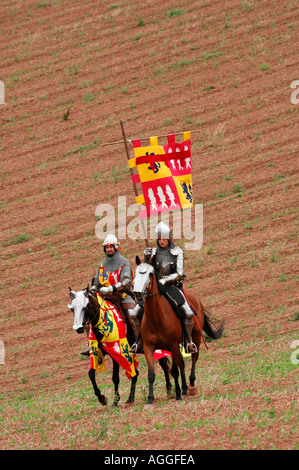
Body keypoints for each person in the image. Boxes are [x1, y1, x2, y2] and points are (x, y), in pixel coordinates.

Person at [128, 221, 197, 354]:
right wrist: (146, 256)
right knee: (135, 313)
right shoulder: (152, 252)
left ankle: (188, 342)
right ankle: (139, 343)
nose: (161, 241)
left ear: (169, 238)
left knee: (188, 312)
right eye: (159, 239)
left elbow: (180, 274)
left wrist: (166, 280)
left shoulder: (177, 252)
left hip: (171, 287)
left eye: (164, 238)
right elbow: (147, 269)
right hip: (153, 288)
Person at [80, 234, 136, 356]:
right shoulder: (102, 264)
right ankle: (93, 345)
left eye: (111, 247)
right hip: (105, 297)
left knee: (132, 314)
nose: (109, 250)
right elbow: (96, 281)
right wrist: (94, 289)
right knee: (91, 313)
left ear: (116, 247)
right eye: (107, 247)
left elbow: (126, 282)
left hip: (122, 295)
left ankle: (137, 341)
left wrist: (112, 288)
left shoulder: (124, 262)